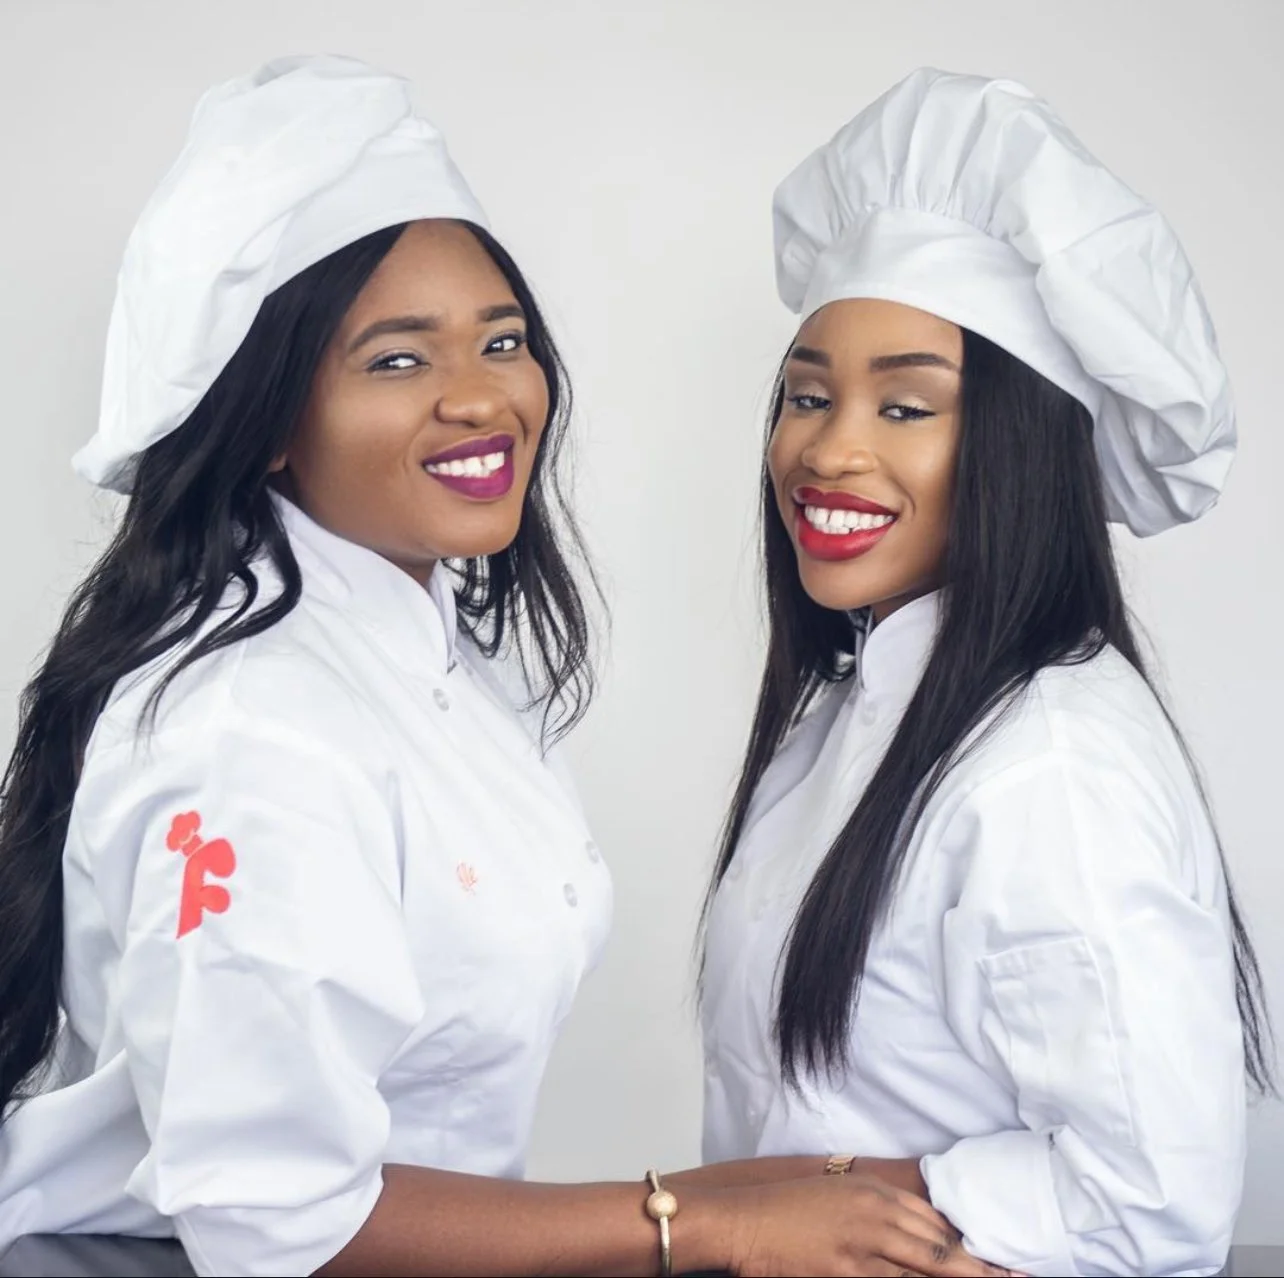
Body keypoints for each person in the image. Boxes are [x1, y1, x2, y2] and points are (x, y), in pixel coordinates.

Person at [0, 55, 1011, 1278]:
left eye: (502, 340)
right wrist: (717, 1223)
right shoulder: (251, 728)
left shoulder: (427, 653)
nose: (481, 400)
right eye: (398, 360)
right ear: (267, 421)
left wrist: (851, 1191)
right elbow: (275, 1224)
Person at [700, 67, 1273, 1278]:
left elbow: (1150, 1203)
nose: (827, 448)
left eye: (907, 406)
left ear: (1019, 447)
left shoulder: (1050, 764)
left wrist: (772, 1209)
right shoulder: (856, 706)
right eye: (807, 395)